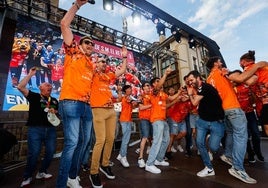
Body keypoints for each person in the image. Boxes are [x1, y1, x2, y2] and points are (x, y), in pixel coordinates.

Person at [206, 56, 267, 184]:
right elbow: (241, 78)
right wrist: (257, 66)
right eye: (219, 61)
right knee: (241, 136)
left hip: (224, 110)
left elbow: (230, 85)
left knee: (231, 133)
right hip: (233, 107)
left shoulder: (209, 79)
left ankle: (227, 155)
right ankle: (237, 168)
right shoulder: (221, 71)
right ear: (216, 64)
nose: (221, 63)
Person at [56, 1, 94, 187]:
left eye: (92, 44)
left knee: (84, 141)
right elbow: (64, 24)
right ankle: (62, 183)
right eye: (87, 42)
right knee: (72, 143)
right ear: (79, 44)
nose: (90, 45)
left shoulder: (91, 63)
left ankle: (72, 177)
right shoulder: (73, 52)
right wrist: (77, 5)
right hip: (71, 102)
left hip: (86, 106)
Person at [89, 47, 128, 188]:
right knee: (100, 140)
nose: (104, 63)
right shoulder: (92, 73)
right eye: (101, 61)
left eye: (105, 62)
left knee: (110, 139)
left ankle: (105, 164)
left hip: (111, 110)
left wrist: (124, 58)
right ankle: (93, 172)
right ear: (96, 63)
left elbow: (122, 71)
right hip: (97, 110)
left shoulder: (109, 75)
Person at [17, 67, 58, 187]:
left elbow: (56, 114)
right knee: (34, 154)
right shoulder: (34, 96)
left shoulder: (54, 100)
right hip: (35, 129)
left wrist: (54, 112)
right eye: (47, 85)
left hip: (50, 130)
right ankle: (27, 176)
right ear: (40, 88)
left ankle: (42, 172)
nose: (50, 86)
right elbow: (20, 87)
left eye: (50, 85)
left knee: (50, 152)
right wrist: (30, 74)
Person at [186, 70, 225, 177]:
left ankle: (211, 138)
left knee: (213, 148)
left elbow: (194, 102)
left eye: (192, 80)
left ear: (198, 78)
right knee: (199, 143)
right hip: (202, 121)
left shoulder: (206, 87)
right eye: (189, 81)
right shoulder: (198, 89)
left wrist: (190, 94)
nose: (190, 82)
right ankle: (209, 168)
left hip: (216, 122)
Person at [145, 66, 179, 174]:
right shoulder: (153, 92)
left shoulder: (163, 94)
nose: (160, 83)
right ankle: (149, 164)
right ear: (154, 85)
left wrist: (180, 93)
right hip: (157, 120)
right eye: (157, 82)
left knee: (166, 140)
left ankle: (159, 159)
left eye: (160, 81)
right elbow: (159, 86)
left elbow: (171, 99)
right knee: (157, 141)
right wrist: (165, 74)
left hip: (164, 120)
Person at [229, 70, 264, 163]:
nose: (234, 80)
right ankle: (251, 154)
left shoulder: (248, 85)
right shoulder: (231, 89)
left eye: (237, 77)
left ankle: (258, 152)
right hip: (239, 115)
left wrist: (251, 94)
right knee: (245, 136)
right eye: (232, 79)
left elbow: (254, 100)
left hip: (250, 113)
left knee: (256, 134)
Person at [239, 50, 268, 136]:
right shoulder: (263, 67)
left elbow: (248, 82)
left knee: (267, 127)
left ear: (243, 61)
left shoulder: (249, 69)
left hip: (265, 101)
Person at [116, 85, 138, 168]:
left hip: (128, 120)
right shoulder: (124, 97)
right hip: (124, 120)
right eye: (128, 89)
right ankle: (123, 156)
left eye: (131, 89)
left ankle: (121, 155)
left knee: (126, 139)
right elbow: (119, 98)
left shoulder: (130, 98)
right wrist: (119, 91)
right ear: (125, 91)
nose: (130, 90)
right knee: (126, 139)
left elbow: (134, 105)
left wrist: (136, 103)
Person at [137, 82, 152, 168]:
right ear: (142, 88)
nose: (147, 88)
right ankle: (140, 158)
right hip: (144, 119)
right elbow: (141, 107)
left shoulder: (152, 96)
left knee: (152, 137)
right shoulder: (140, 97)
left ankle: (154, 157)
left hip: (152, 119)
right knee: (145, 137)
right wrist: (151, 105)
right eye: (145, 86)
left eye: (148, 86)